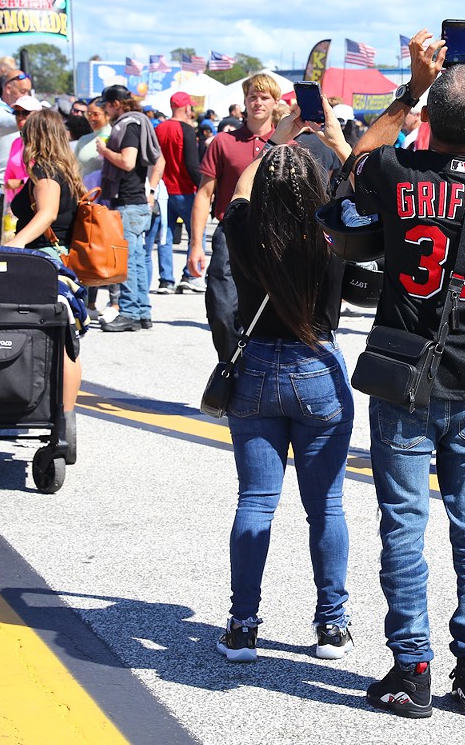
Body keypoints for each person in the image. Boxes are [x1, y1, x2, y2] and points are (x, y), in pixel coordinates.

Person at [349, 30, 465, 718]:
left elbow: (358, 157)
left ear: (430, 122)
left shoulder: (402, 179)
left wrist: (412, 90)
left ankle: (412, 666)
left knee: (403, 524)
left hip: (406, 377)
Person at [213, 114, 358, 665]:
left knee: (255, 501)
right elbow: (364, 189)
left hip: (255, 370)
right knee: (326, 506)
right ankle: (332, 625)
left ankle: (243, 626)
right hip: (318, 365)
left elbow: (243, 189)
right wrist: (339, 146)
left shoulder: (245, 228)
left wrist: (276, 143)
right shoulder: (333, 235)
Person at [3, 108, 84, 445]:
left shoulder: (45, 171)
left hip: (42, 261)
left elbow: (48, 212)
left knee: (53, 342)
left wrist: (15, 244)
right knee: (66, 342)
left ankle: (60, 419)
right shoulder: (67, 170)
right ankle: (62, 418)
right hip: (61, 260)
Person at [188, 74, 280, 358]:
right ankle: (229, 367)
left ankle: (255, 375)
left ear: (276, 102)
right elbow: (204, 195)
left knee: (268, 315)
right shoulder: (223, 142)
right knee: (222, 310)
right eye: (253, 96)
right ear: (244, 101)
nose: (257, 102)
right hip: (229, 234)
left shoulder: (288, 145)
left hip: (271, 236)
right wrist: (195, 245)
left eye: (264, 97)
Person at [95, 84, 162, 332]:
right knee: (137, 259)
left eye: (106, 105)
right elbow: (159, 160)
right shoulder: (140, 121)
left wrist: (105, 151)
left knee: (128, 261)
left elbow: (127, 161)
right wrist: (151, 191)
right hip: (137, 203)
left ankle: (131, 313)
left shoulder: (129, 125)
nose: (105, 110)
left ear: (116, 104)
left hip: (129, 202)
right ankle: (142, 312)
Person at [154, 91, 204, 294]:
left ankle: (166, 279)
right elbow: (192, 164)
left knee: (164, 236)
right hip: (184, 189)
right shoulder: (187, 129)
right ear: (185, 108)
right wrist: (204, 187)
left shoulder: (159, 128)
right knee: (196, 235)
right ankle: (189, 274)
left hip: (163, 189)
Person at [0, 70, 34, 244]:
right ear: (8, 88)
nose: (20, 117)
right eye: (23, 92)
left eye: (25, 113)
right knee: (1, 238)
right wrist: (31, 116)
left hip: (28, 189)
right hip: (0, 187)